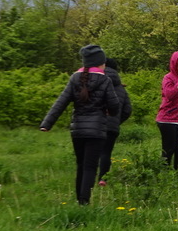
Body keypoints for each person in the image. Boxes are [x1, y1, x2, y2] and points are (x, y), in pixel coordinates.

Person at [40, 45, 120, 205]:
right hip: (97, 130)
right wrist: (108, 111)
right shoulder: (105, 80)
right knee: (90, 167)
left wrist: (47, 123)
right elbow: (115, 106)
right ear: (100, 63)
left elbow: (60, 102)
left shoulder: (74, 78)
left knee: (80, 165)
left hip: (77, 130)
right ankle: (84, 201)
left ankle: (79, 199)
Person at [98, 57, 133, 186]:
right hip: (112, 126)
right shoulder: (121, 88)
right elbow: (127, 110)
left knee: (92, 151)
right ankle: (103, 178)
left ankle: (87, 177)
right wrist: (117, 120)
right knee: (106, 152)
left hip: (95, 124)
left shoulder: (96, 82)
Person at [156, 50, 178, 169]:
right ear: (175, 63)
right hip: (167, 119)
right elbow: (169, 95)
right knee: (169, 149)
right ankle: (163, 175)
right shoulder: (168, 78)